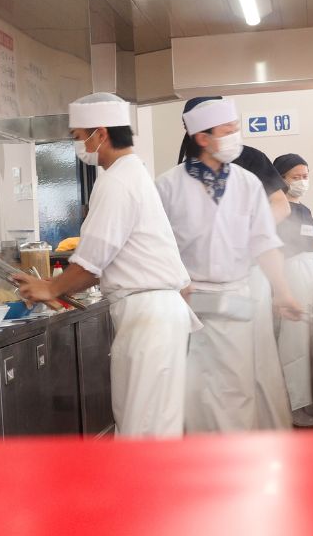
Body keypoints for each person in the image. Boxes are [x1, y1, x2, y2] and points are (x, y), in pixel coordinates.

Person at [12, 92, 196, 438]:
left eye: (79, 138)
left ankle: (144, 493)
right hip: (157, 312)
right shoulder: (132, 173)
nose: (78, 146)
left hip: (149, 315)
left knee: (144, 430)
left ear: (101, 134)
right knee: (156, 425)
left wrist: (48, 287)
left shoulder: (116, 182)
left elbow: (91, 263)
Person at [156, 97, 303, 433]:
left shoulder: (247, 183)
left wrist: (283, 292)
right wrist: (175, 283)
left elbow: (264, 243)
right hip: (188, 307)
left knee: (235, 393)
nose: (237, 136)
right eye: (228, 130)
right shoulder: (167, 186)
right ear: (203, 138)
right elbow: (157, 247)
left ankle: (236, 470)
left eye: (236, 128)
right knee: (192, 395)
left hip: (236, 302)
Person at [273, 154, 313, 429]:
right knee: (295, 344)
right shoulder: (278, 208)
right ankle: (295, 406)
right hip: (293, 274)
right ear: (281, 178)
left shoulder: (306, 210)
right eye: (295, 177)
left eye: (305, 176)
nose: (302, 182)